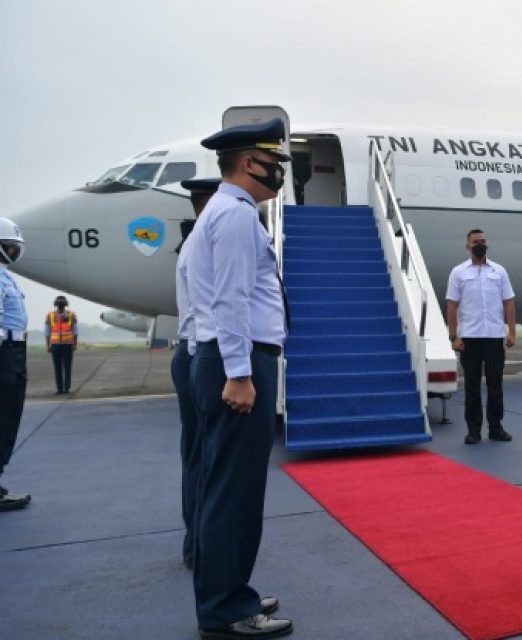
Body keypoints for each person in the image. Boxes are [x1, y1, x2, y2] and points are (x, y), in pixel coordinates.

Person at [185, 119, 292, 639]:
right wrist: (241, 373)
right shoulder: (234, 216)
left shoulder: (226, 213)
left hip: (230, 358)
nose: (280, 172)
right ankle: (226, 609)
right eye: (276, 162)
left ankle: (225, 591)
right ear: (250, 162)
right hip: (240, 360)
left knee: (222, 487)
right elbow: (231, 300)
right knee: (235, 493)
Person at [173, 177, 221, 571]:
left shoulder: (192, 243)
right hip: (198, 354)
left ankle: (197, 542)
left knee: (197, 455)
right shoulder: (204, 244)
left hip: (189, 354)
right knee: (206, 458)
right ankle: (201, 545)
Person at [446, 229, 516, 445]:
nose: (480, 244)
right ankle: (473, 430)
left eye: (483, 241)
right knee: (472, 387)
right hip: (470, 339)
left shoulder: (499, 271)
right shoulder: (458, 272)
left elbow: (509, 302)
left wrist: (511, 331)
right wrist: (453, 336)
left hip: (494, 336)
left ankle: (496, 428)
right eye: (476, 241)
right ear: (468, 246)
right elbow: (451, 304)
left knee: (496, 385)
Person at [0, 217, 31, 511]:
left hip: (14, 350)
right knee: (2, 415)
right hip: (4, 353)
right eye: (8, 246)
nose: (13, 251)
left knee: (9, 415)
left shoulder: (5, 276)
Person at [44, 295, 77, 394]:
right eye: (59, 303)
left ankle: (66, 388)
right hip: (55, 344)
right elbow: (47, 331)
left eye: (61, 303)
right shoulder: (50, 315)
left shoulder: (71, 315)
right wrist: (48, 345)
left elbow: (75, 331)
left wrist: (74, 344)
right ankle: (60, 388)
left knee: (67, 367)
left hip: (67, 344)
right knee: (57, 367)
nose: (60, 305)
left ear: (65, 304)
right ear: (56, 304)